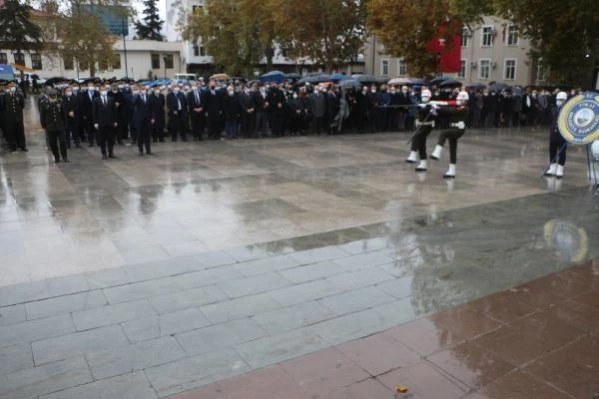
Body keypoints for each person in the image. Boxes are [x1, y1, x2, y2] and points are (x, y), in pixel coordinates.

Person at [430, 91, 470, 178]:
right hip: (452, 128)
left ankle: (437, 152)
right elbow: (446, 113)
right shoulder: (456, 107)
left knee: (444, 133)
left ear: (466, 101)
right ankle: (452, 171)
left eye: (461, 99)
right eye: (459, 99)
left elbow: (451, 111)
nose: (459, 101)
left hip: (459, 130)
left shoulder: (464, 108)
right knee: (453, 149)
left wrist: (438, 108)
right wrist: (435, 110)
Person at [406, 89, 435, 172]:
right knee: (422, 144)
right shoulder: (420, 105)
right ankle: (423, 163)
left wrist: (428, 108)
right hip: (420, 125)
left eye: (426, 96)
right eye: (423, 96)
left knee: (417, 136)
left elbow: (433, 115)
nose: (424, 98)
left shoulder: (432, 105)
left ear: (429, 97)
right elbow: (417, 114)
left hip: (428, 125)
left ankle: (413, 154)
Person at [40, 89, 69, 163]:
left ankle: (64, 156)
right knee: (52, 143)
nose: (53, 97)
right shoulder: (44, 103)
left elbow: (64, 114)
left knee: (63, 142)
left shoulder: (60, 102)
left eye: (54, 96)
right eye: (52, 96)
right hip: (50, 127)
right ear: (49, 96)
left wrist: (65, 124)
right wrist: (43, 125)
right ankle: (56, 157)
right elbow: (42, 115)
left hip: (60, 126)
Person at [544, 91, 569, 178]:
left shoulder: (568, 110)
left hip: (563, 134)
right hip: (553, 133)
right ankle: (552, 168)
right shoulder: (554, 108)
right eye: (558, 99)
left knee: (562, 152)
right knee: (552, 150)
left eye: (561, 100)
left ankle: (560, 169)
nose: (559, 101)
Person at [0, 83, 27, 153]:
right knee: (11, 132)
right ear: (8, 88)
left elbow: (22, 105)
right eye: (11, 87)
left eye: (13, 87)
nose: (12, 88)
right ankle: (13, 147)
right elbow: (2, 106)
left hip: (18, 116)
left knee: (20, 132)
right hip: (9, 117)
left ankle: (22, 146)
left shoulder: (19, 95)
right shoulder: (4, 96)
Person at [92, 85, 118, 160]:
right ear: (99, 91)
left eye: (105, 90)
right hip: (101, 122)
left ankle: (111, 152)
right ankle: (104, 153)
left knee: (111, 139)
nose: (104, 91)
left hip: (110, 122)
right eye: (102, 90)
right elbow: (94, 112)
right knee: (102, 139)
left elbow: (114, 111)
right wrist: (95, 122)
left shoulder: (111, 99)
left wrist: (115, 121)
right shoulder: (96, 100)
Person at [133, 85, 153, 155]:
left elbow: (151, 108)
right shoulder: (137, 97)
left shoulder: (149, 96)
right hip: (139, 119)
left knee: (147, 135)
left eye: (144, 89)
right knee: (140, 135)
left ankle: (148, 150)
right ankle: (140, 150)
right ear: (140, 90)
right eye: (142, 89)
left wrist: (152, 117)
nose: (143, 90)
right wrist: (137, 95)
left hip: (147, 118)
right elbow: (133, 103)